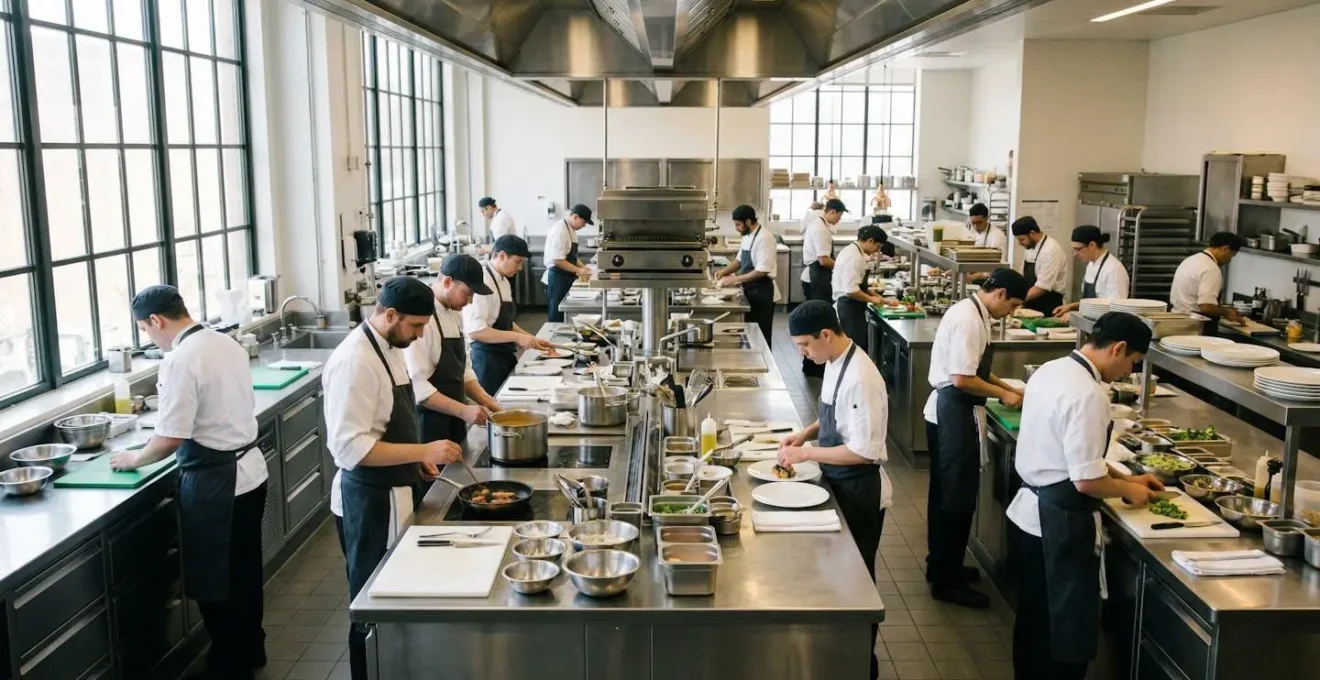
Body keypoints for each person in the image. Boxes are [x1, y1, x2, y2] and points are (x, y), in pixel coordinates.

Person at [111, 285, 268, 680]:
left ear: (156, 321)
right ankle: (250, 651)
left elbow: (170, 438)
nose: (150, 337)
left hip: (218, 484)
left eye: (146, 330)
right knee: (244, 573)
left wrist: (135, 458)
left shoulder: (181, 359)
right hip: (250, 472)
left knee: (215, 579)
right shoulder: (223, 341)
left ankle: (229, 663)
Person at [1008, 312, 1162, 680]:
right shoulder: (1089, 394)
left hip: (1028, 517)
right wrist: (1128, 491)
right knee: (1064, 633)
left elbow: (1078, 458)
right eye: (1132, 363)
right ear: (1119, 348)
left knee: (1034, 623)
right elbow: (1085, 481)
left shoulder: (1054, 368)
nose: (1127, 372)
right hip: (1058, 524)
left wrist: (1129, 476)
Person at [323, 276, 463, 680]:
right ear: (389, 315)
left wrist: (413, 462)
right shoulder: (356, 362)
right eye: (415, 327)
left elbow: (386, 422)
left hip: (394, 487)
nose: (420, 336)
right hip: (369, 500)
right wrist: (422, 450)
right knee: (371, 606)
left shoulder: (388, 345)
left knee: (393, 596)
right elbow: (351, 449)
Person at [780, 300, 891, 680]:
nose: (802, 353)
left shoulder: (862, 376)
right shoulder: (834, 361)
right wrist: (807, 432)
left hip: (859, 490)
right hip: (839, 482)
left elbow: (864, 451)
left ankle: (863, 664)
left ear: (826, 334)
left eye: (804, 345)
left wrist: (807, 452)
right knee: (838, 577)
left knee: (857, 582)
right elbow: (832, 410)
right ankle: (838, 657)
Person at [924, 268, 1029, 609]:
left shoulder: (971, 311)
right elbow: (962, 378)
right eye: (1012, 305)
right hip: (952, 413)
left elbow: (976, 369)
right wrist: (1004, 397)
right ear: (999, 294)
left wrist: (1003, 387)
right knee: (956, 498)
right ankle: (946, 582)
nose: (1010, 312)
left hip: (949, 411)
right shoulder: (970, 320)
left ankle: (941, 564)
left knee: (945, 494)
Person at [405, 254, 503, 447]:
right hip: (429, 424)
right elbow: (418, 387)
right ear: (448, 282)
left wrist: (486, 400)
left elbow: (462, 369)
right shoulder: (422, 319)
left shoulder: (453, 312)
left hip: (454, 417)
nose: (470, 301)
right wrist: (463, 410)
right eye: (467, 293)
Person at [465, 235, 555, 394]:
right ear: (501, 255)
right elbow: (476, 331)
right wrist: (517, 338)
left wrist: (531, 338)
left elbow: (505, 321)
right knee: (494, 409)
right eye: (518, 262)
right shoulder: (482, 283)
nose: (519, 268)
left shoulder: (503, 281)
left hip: (504, 354)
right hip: (487, 360)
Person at [716, 205, 778, 346]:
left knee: (760, 335)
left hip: (762, 292)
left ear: (748, 222)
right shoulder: (747, 236)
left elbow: (762, 271)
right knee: (750, 333)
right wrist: (723, 272)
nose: (736, 228)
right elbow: (739, 260)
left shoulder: (765, 238)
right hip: (750, 290)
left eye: (738, 225)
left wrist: (735, 279)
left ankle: (765, 366)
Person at [799, 198, 848, 376]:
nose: (839, 221)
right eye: (839, 217)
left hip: (816, 276)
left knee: (815, 323)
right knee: (817, 324)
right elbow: (823, 259)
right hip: (817, 277)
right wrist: (843, 267)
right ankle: (814, 365)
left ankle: (813, 363)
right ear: (832, 212)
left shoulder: (819, 224)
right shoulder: (821, 230)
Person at [832, 225, 888, 355]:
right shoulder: (854, 257)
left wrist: (881, 299)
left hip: (852, 306)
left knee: (858, 346)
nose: (877, 251)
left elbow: (860, 285)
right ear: (870, 241)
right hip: (849, 307)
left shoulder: (854, 251)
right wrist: (871, 299)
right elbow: (851, 290)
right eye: (878, 246)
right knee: (855, 348)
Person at [1054, 225, 1130, 318]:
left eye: (1077, 249)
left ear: (1092, 245)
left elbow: (1116, 309)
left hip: (1105, 327)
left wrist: (1076, 315)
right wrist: (1072, 306)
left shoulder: (1113, 269)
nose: (1075, 254)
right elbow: (1094, 301)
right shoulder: (1091, 264)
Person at [1170, 231, 1244, 324]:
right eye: (1231, 255)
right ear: (1225, 249)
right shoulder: (1211, 269)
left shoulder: (1191, 260)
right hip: (1194, 325)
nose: (1229, 260)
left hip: (1176, 319)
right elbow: (1206, 307)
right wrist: (1227, 312)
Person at [542, 204, 593, 322]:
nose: (584, 225)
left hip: (565, 277)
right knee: (557, 313)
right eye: (584, 222)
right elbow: (558, 260)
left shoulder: (570, 229)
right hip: (557, 278)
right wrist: (579, 270)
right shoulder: (560, 230)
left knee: (564, 313)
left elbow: (571, 256)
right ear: (575, 217)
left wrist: (583, 267)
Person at [1012, 216, 1069, 316]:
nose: (1020, 243)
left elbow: (1041, 288)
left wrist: (1016, 300)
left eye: (1021, 239)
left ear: (1032, 233)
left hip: (1049, 306)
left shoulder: (1051, 250)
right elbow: (1022, 276)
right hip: (1032, 303)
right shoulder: (1030, 247)